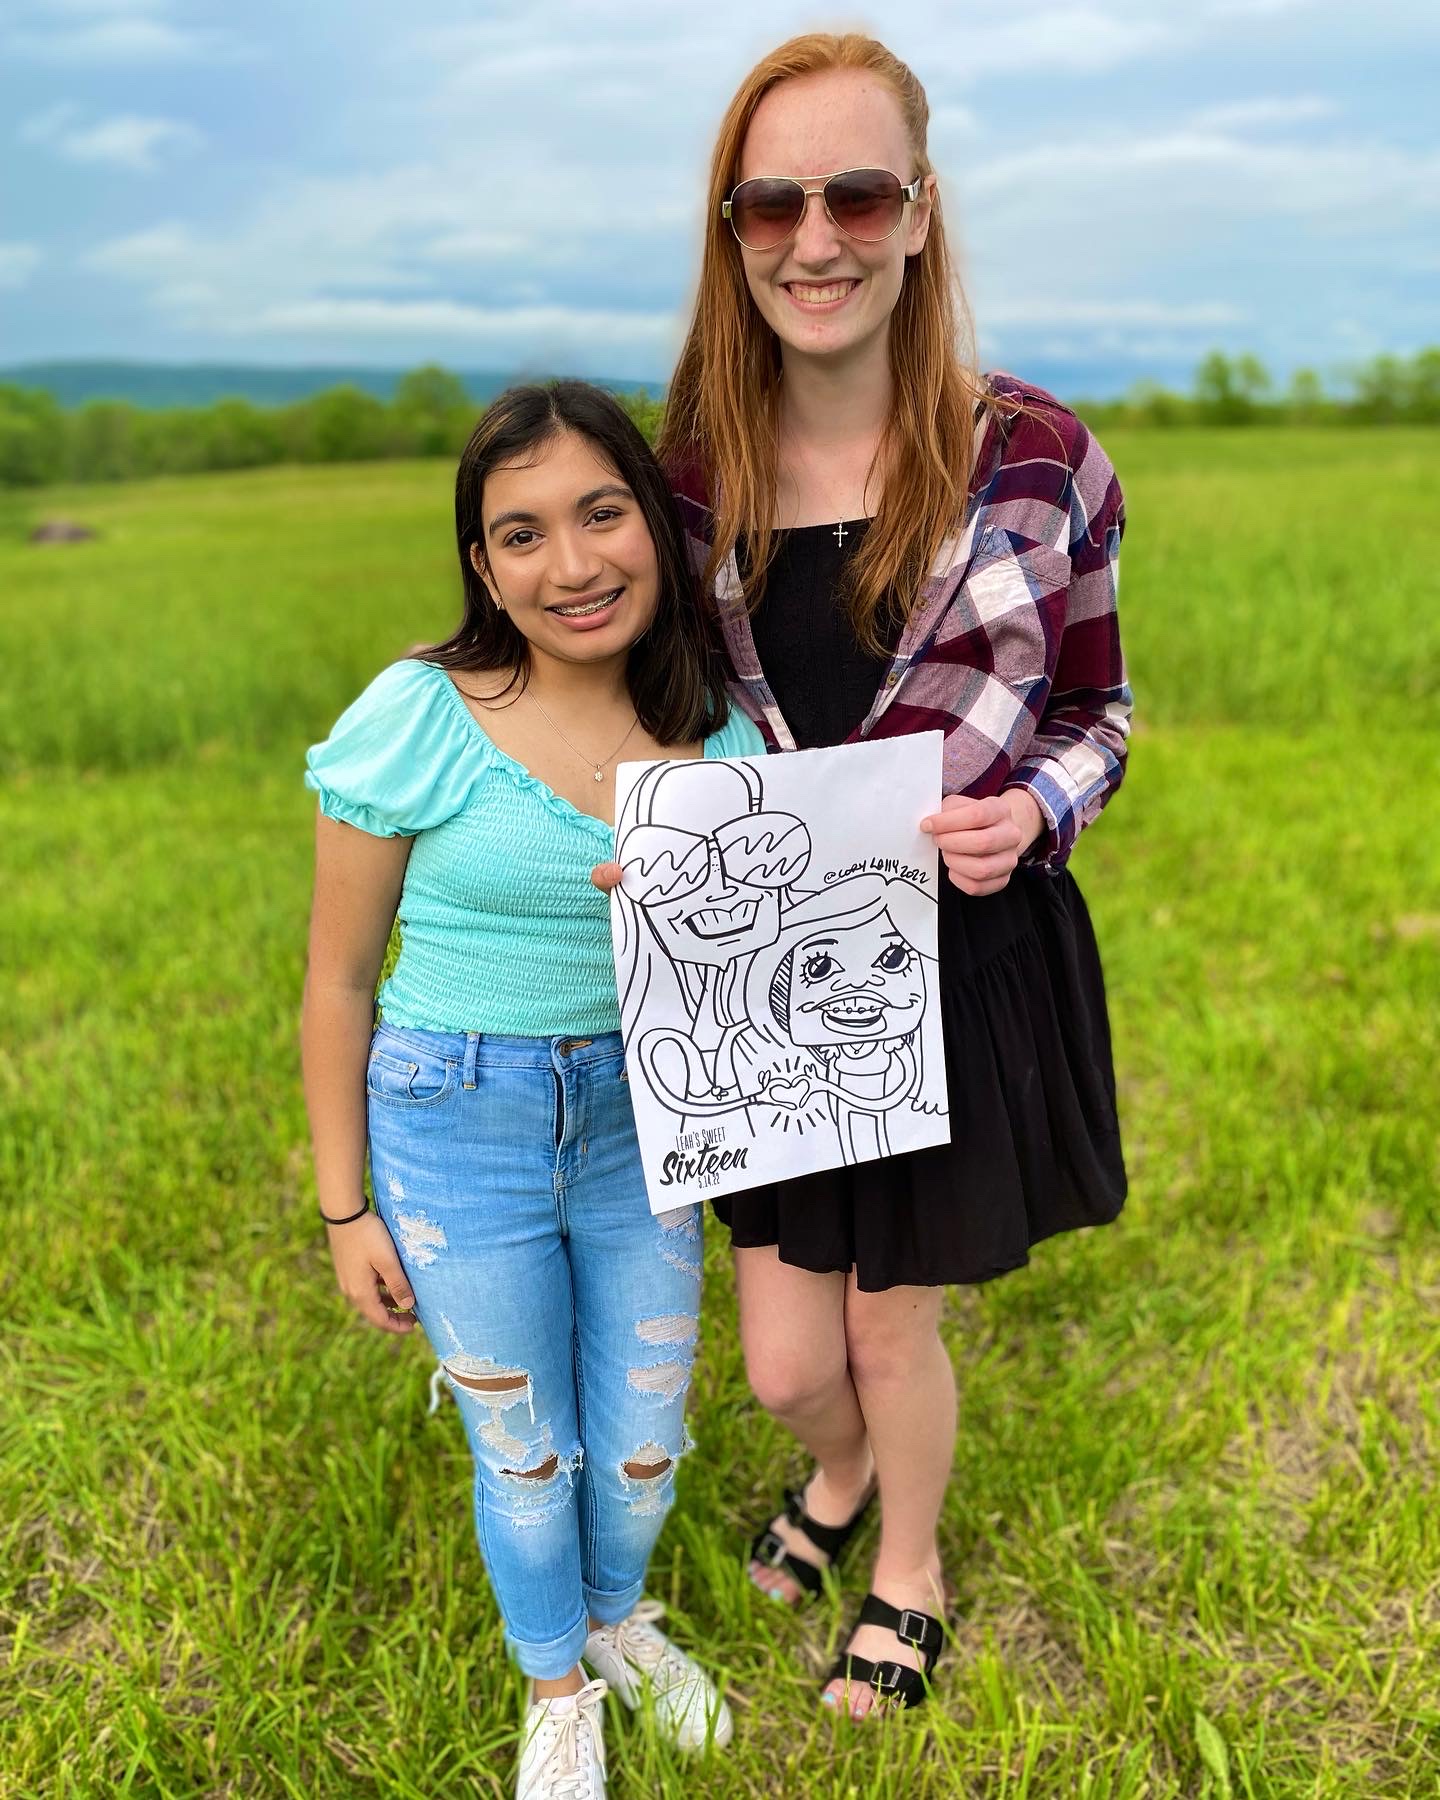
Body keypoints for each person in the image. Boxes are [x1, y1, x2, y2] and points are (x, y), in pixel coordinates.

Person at [599, 32, 1131, 1717]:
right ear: (730, 227)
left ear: (920, 213)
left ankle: (908, 1569)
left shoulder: (1042, 456)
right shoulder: (686, 480)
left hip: (956, 962)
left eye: (856, 193)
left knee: (895, 1329)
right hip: (770, 981)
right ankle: (831, 1476)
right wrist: (649, 841)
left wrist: (1036, 808)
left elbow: (1104, 714)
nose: (813, 237)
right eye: (772, 202)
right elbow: (638, 715)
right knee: (780, 1363)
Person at [301, 381, 757, 1799]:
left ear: (653, 519)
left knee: (637, 1434)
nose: (573, 564)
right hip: (457, 1117)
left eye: (602, 512)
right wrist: (343, 1210)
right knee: (522, 1443)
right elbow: (337, 984)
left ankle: (621, 1618)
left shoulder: (720, 732)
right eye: (521, 533)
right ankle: (554, 1680)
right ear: (482, 563)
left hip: (643, 1120)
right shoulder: (418, 715)